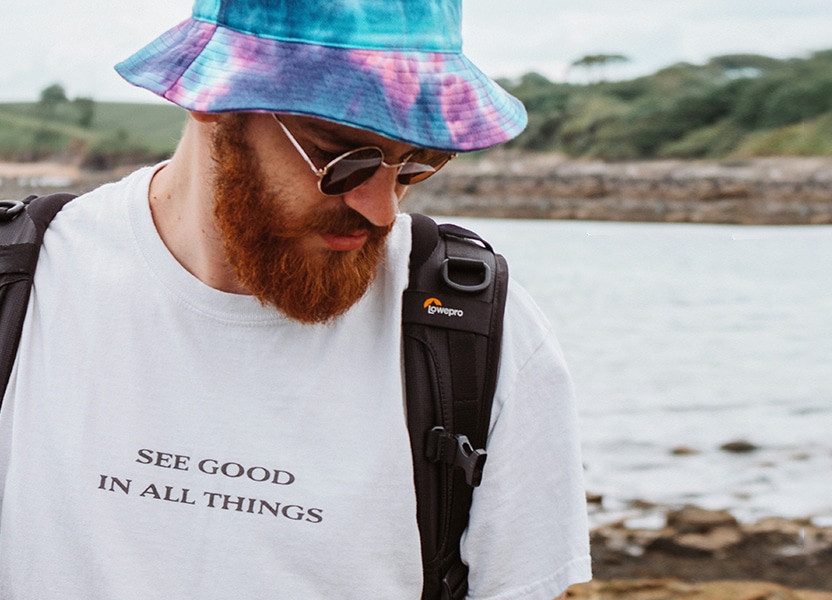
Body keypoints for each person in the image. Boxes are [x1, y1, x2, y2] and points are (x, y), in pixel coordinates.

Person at [0, 1, 591, 598]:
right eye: (342, 157)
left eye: (418, 162)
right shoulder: (20, 284)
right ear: (212, 99)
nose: (382, 209)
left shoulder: (480, 329)